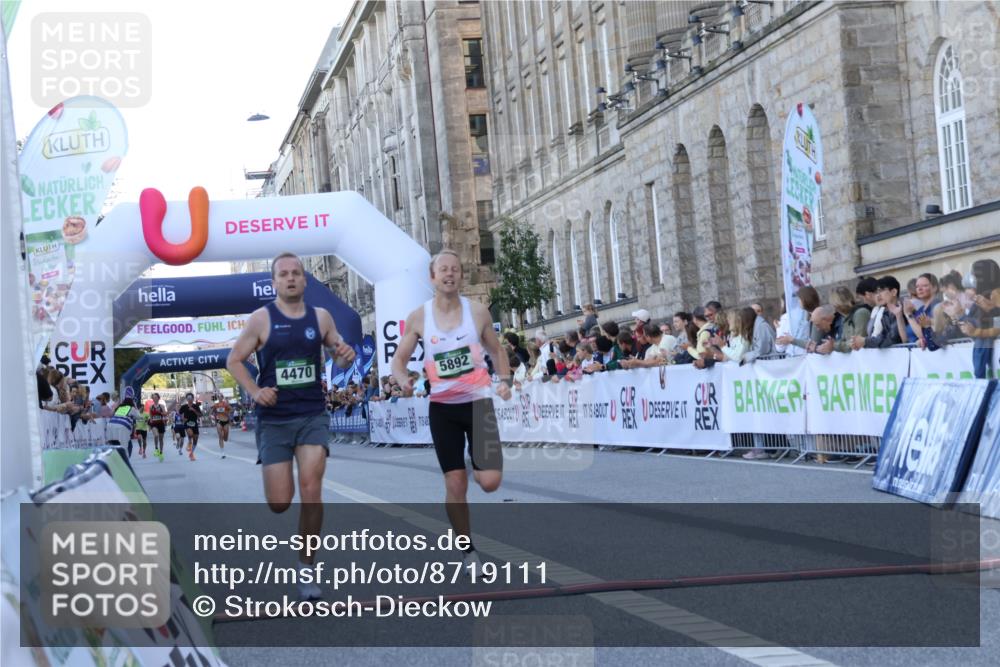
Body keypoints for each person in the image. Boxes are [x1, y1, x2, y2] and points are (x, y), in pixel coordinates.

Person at [227, 251, 356, 600]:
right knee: (280, 502)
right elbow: (234, 360)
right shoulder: (261, 319)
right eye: (283, 274)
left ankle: (307, 567)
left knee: (311, 491)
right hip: (274, 420)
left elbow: (338, 353)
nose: (290, 278)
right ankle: (302, 557)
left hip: (312, 414)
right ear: (274, 282)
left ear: (304, 279)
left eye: (296, 273)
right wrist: (255, 391)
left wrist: (344, 355)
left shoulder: (321, 316)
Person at [391, 249, 511, 573]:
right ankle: (467, 550)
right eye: (443, 269)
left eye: (455, 269)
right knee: (456, 485)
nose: (449, 274)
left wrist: (505, 381)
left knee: (489, 482)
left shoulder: (478, 312)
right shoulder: (419, 317)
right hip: (443, 409)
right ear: (432, 277)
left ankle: (474, 462)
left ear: (461, 275)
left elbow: (497, 350)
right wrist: (403, 380)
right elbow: (399, 360)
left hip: (478, 404)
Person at [107, 392, 141, 458]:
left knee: (112, 445)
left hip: (111, 425)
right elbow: (139, 416)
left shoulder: (120, 408)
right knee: (124, 446)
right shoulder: (131, 408)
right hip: (122, 427)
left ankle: (113, 460)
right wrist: (135, 406)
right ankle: (125, 461)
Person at [179, 393, 203, 461]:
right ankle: (189, 442)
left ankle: (191, 453)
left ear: (193, 399)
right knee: (190, 434)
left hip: (194, 423)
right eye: (188, 398)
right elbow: (179, 413)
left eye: (190, 398)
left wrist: (194, 410)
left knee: (195, 440)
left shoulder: (196, 406)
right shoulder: (184, 406)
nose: (189, 399)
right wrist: (182, 418)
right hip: (187, 423)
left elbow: (200, 415)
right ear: (186, 399)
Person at [211, 394, 232, 458]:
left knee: (225, 438)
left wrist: (227, 412)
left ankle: (225, 438)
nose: (220, 398)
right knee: (220, 436)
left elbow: (231, 409)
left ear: (222, 398)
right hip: (219, 420)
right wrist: (212, 415)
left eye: (221, 397)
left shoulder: (226, 404)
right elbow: (212, 411)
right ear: (218, 398)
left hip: (225, 421)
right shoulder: (216, 405)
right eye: (219, 397)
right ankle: (222, 453)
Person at [148, 393, 167, 462]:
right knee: (156, 435)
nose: (155, 398)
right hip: (154, 424)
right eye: (153, 397)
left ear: (158, 398)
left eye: (156, 397)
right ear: (152, 399)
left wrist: (160, 412)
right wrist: (150, 425)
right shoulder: (151, 407)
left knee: (161, 439)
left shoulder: (161, 406)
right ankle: (156, 449)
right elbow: (150, 417)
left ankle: (161, 453)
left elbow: (165, 414)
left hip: (161, 423)